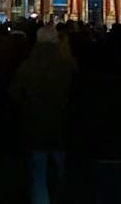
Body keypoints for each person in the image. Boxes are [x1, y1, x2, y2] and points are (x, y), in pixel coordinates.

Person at [10, 25, 76, 204]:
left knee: (38, 174)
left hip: (35, 124)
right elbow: (74, 95)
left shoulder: (27, 65)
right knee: (63, 170)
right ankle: (65, 197)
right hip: (60, 125)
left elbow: (15, 94)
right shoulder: (67, 65)